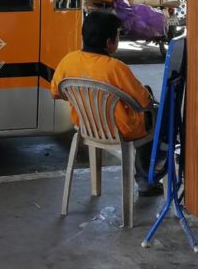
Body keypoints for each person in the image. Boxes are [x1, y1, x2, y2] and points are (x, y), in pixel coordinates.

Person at [51, 11, 163, 196]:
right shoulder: (116, 68)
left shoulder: (68, 61)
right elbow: (144, 102)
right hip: (120, 130)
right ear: (109, 43)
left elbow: (56, 93)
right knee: (158, 117)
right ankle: (145, 180)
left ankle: (130, 182)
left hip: (87, 127)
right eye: (118, 35)